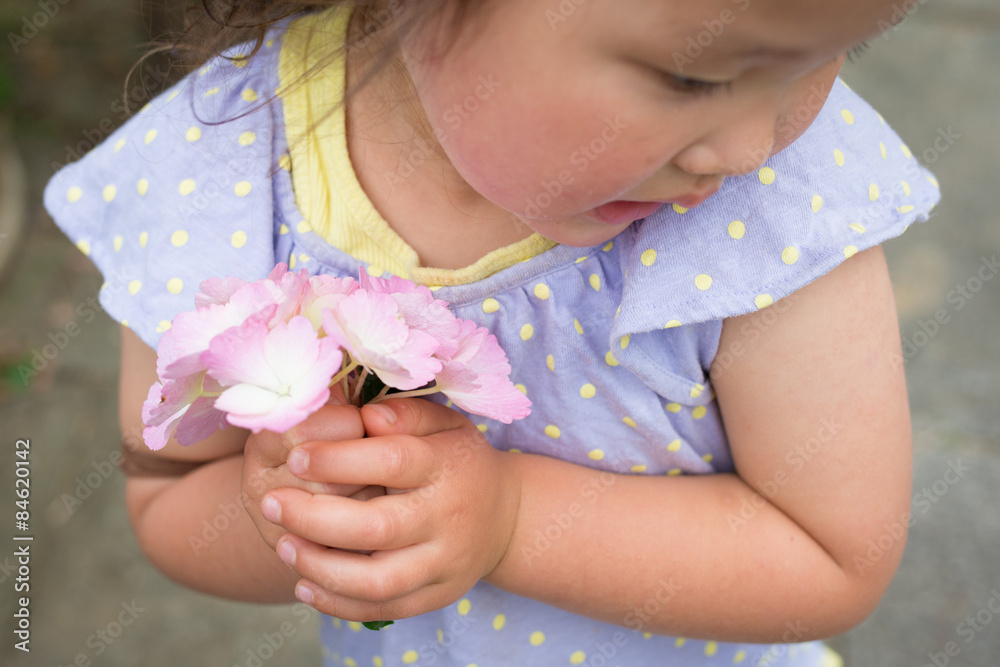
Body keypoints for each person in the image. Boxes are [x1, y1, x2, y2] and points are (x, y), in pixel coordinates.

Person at [44, 0, 940, 664]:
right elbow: (169, 498)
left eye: (829, 55)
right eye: (692, 77)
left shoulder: (771, 209)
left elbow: (832, 552)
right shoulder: (222, 169)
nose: (749, 142)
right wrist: (302, 513)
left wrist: (507, 521)